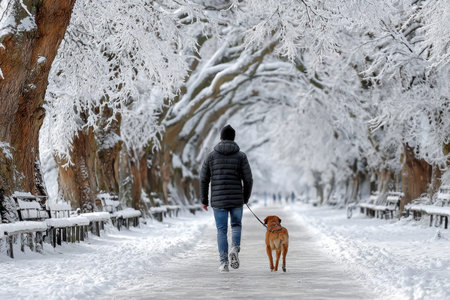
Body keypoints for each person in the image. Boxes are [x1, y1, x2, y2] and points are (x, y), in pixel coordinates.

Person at [200, 124, 253, 273]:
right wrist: (245, 197)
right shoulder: (241, 156)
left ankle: (223, 262)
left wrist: (204, 200)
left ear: (221, 138)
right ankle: (234, 248)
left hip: (218, 201)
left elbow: (203, 179)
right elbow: (248, 179)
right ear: (234, 138)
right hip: (236, 200)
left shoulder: (211, 156)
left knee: (221, 230)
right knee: (236, 225)